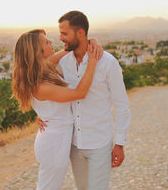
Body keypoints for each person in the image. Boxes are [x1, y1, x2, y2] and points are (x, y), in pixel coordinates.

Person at [39, 11, 131, 189]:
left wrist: (120, 143)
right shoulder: (64, 62)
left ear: (80, 33)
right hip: (74, 144)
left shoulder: (108, 63)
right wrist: (43, 113)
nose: (60, 38)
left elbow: (122, 105)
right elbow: (43, 81)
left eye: (64, 33)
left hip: (99, 144)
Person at [11, 29, 100, 190]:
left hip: (55, 136)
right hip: (55, 142)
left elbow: (67, 50)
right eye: (46, 42)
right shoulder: (41, 85)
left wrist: (90, 42)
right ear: (38, 51)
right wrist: (92, 62)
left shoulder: (43, 67)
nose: (51, 42)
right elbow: (80, 93)